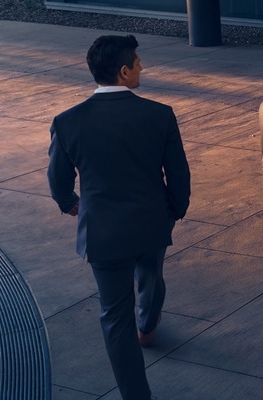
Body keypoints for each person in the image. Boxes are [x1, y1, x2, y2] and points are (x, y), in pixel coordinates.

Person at [47, 34, 190, 400]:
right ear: (124, 72)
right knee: (152, 277)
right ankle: (148, 325)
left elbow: (59, 180)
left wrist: (71, 204)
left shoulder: (68, 122)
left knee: (114, 316)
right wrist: (173, 211)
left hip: (103, 232)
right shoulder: (159, 115)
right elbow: (178, 174)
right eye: (138, 63)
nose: (142, 67)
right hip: (151, 222)